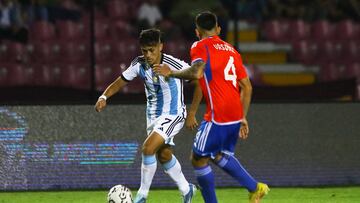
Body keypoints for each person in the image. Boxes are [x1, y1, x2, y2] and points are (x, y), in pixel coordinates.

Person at [153, 11, 269, 203]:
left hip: (218, 114)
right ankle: (256, 188)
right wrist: (242, 116)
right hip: (234, 112)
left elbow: (197, 72)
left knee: (197, 158)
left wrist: (170, 72)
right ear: (218, 29)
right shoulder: (232, 50)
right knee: (216, 154)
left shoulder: (199, 46)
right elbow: (246, 86)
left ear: (197, 31)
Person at [94, 28, 196, 203]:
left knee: (148, 148)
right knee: (163, 155)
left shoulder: (173, 63)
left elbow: (197, 76)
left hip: (174, 114)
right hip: (153, 117)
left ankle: (141, 197)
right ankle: (187, 190)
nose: (148, 55)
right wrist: (103, 96)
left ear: (161, 46)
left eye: (152, 50)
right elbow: (119, 83)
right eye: (144, 50)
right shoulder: (139, 64)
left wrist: (192, 112)